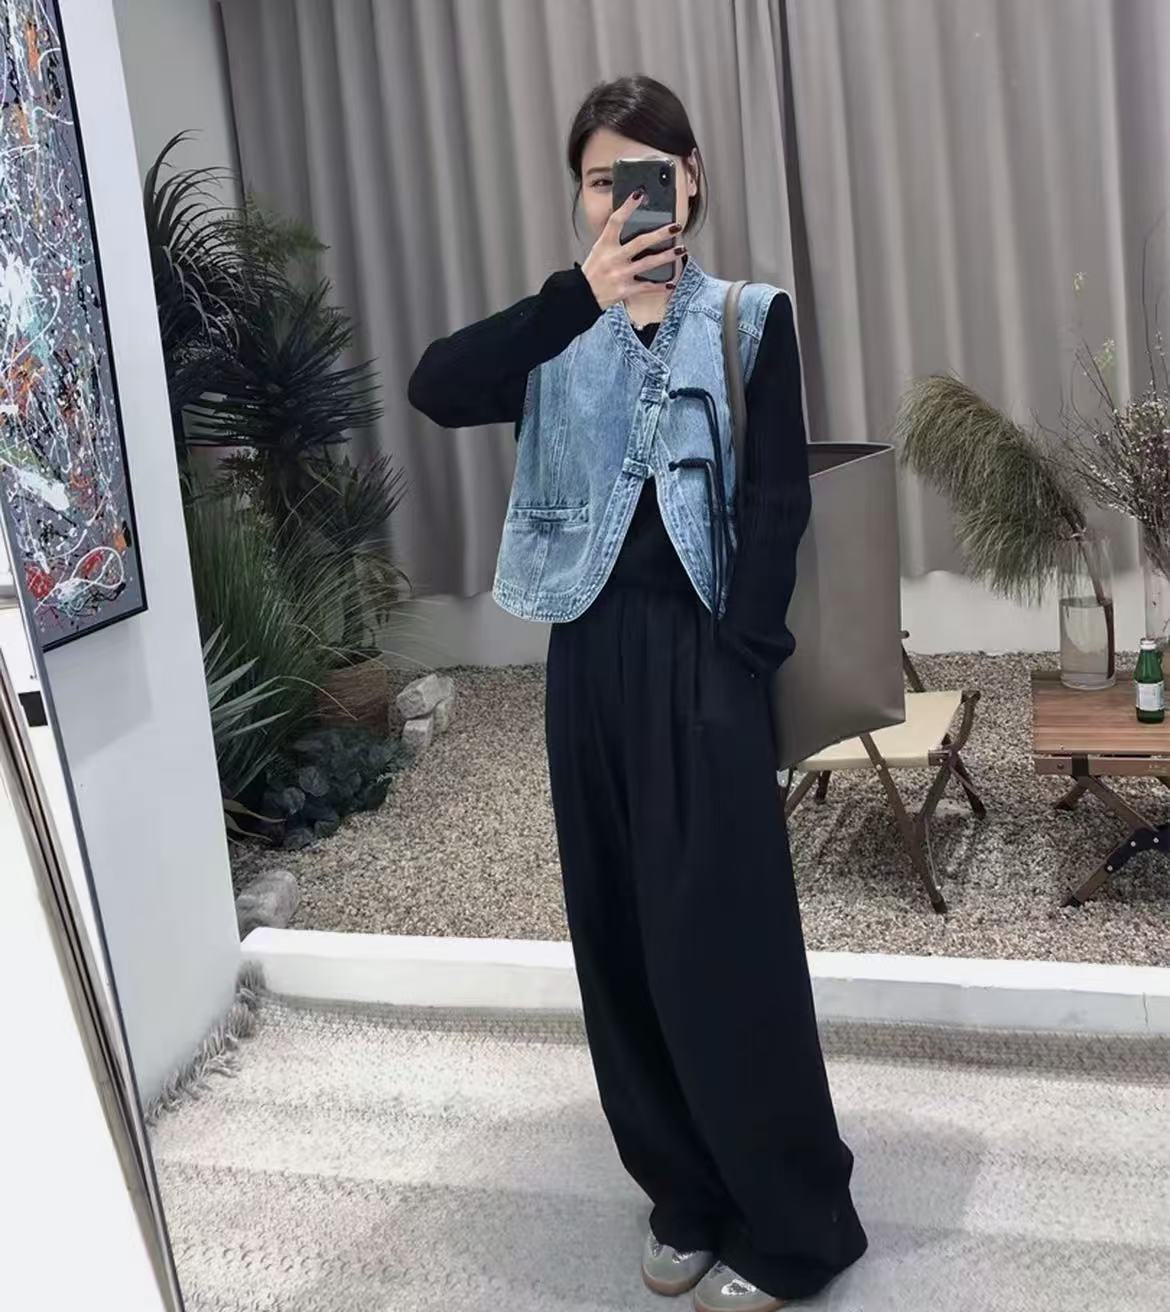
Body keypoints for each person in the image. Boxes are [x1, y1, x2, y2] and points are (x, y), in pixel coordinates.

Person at [408, 74, 867, 1312]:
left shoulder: (750, 319)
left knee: (727, 945)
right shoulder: (557, 324)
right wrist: (578, 296)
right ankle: (683, 1192)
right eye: (600, 181)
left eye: (644, 175)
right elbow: (435, 386)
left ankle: (795, 1223)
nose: (623, 199)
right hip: (588, 664)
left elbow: (778, 502)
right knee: (617, 941)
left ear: (693, 179)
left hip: (706, 659)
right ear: (581, 198)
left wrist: (743, 669)